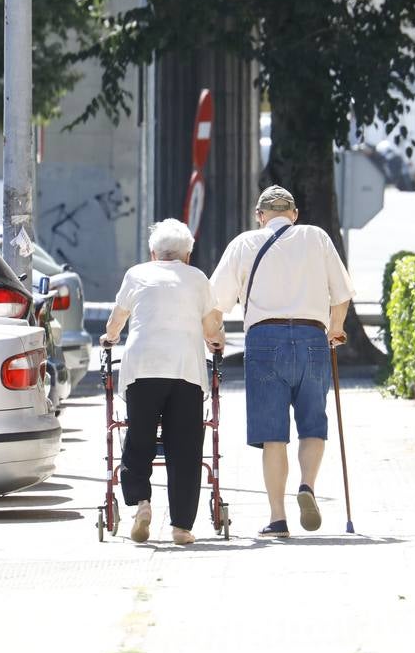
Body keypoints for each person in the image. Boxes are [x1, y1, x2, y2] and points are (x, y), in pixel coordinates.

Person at [210, 186, 354, 537]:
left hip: (263, 340)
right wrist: (335, 329)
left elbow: (215, 304)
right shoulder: (316, 237)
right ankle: (306, 485)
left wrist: (214, 338)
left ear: (259, 216)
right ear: (294, 214)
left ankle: (278, 518)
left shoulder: (244, 243)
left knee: (273, 436)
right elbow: (342, 294)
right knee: (313, 423)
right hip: (310, 337)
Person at [101, 218, 224, 545]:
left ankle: (142, 503)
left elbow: (117, 319)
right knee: (185, 446)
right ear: (187, 255)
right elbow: (212, 328)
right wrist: (215, 339)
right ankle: (181, 527)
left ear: (154, 252)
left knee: (139, 436)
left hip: (143, 367)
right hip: (185, 368)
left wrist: (109, 338)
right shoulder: (197, 278)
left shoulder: (137, 274)